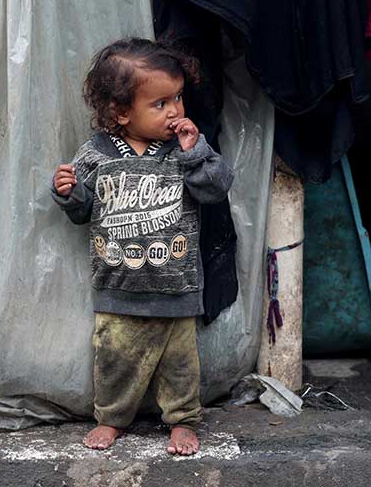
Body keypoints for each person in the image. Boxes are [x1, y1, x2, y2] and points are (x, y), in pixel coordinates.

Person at [51, 38, 234, 456]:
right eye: (160, 103)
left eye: (178, 97)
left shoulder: (185, 150)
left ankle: (183, 421)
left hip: (177, 283)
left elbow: (216, 188)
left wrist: (194, 154)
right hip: (118, 284)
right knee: (114, 360)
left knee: (180, 365)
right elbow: (82, 211)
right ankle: (112, 419)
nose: (175, 111)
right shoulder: (96, 154)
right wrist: (69, 192)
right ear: (120, 111)